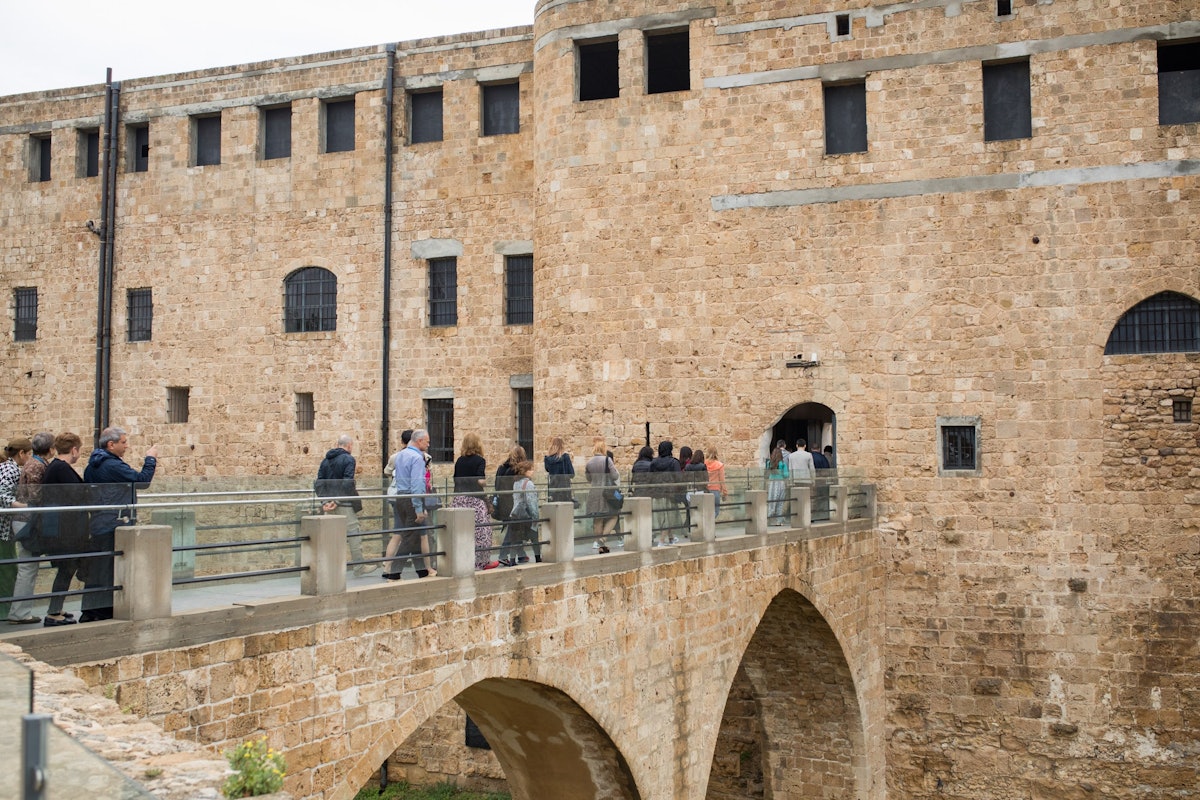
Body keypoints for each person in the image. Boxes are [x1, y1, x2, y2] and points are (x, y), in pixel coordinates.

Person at [82, 426, 158, 622]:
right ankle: (102, 611)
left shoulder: (92, 466)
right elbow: (142, 481)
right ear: (111, 444)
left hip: (99, 521)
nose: (127, 446)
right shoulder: (112, 465)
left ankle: (92, 611)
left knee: (99, 569)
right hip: (113, 522)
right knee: (108, 569)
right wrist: (150, 458)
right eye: (123, 442)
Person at [40, 432, 88, 626]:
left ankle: (56, 608)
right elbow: (78, 494)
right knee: (66, 569)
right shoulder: (61, 468)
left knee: (67, 569)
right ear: (74, 449)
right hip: (64, 531)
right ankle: (53, 613)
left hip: (62, 529)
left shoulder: (56, 467)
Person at [315, 434, 377, 577]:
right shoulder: (349, 459)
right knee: (353, 533)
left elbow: (319, 482)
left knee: (331, 536)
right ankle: (358, 566)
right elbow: (347, 482)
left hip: (328, 504)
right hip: (344, 503)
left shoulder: (325, 461)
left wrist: (325, 502)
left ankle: (329, 568)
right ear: (349, 445)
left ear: (338, 444)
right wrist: (337, 501)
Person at [10, 432, 53, 624]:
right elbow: (36, 496)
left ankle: (20, 611)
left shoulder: (34, 463)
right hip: (28, 521)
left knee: (28, 568)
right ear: (50, 449)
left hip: (26, 520)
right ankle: (20, 613)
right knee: (27, 568)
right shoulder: (36, 465)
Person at [383, 429, 432, 580]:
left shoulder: (401, 455)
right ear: (419, 441)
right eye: (427, 441)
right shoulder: (417, 458)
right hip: (411, 499)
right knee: (410, 536)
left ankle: (422, 571)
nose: (428, 444)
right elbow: (417, 483)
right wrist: (418, 508)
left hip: (400, 498)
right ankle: (394, 572)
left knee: (414, 535)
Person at [452, 433, 497, 570]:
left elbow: (455, 479)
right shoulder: (479, 460)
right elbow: (480, 480)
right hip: (475, 500)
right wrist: (486, 482)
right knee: (482, 532)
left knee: (461, 531)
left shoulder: (459, 460)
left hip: (459, 499)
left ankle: (461, 561)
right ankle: (481, 562)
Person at [0, 438, 31, 622]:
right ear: (22, 454)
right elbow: (2, 494)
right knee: (8, 570)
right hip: (3, 530)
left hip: (4, 529)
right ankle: (5, 611)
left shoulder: (5, 467)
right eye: (29, 454)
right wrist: (19, 505)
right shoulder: (11, 469)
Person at [499, 460, 540, 565]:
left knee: (515, 539)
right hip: (526, 516)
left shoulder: (516, 483)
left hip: (516, 515)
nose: (532, 471)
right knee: (535, 538)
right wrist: (535, 517)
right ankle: (538, 558)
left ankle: (512, 560)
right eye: (530, 469)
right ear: (525, 471)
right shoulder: (529, 484)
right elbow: (531, 502)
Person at [584, 437, 619, 554]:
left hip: (594, 493)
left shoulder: (589, 462)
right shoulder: (607, 460)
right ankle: (603, 539)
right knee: (614, 516)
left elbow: (588, 478)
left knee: (597, 519)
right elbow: (615, 476)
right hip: (606, 493)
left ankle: (601, 546)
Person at [493, 445, 525, 561]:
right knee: (513, 528)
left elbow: (496, 485)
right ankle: (503, 554)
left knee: (515, 527)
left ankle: (521, 554)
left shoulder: (501, 467)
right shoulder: (517, 470)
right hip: (512, 502)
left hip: (502, 502)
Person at [650, 441, 684, 545]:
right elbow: (679, 478)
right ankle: (662, 540)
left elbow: (650, 477)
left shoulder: (654, 463)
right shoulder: (674, 462)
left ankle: (671, 538)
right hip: (670, 493)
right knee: (669, 517)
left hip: (657, 493)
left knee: (662, 516)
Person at [543, 437, 575, 506]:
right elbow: (572, 474)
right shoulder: (565, 457)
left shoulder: (547, 459)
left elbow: (547, 469)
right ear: (562, 446)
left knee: (554, 510)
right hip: (564, 489)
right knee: (565, 511)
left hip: (553, 488)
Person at [683, 449, 709, 532]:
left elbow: (685, 478)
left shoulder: (687, 466)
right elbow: (706, 479)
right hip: (700, 491)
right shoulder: (702, 466)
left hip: (690, 492)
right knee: (701, 512)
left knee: (691, 512)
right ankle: (701, 530)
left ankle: (691, 529)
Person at [766, 443, 789, 526]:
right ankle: (778, 521)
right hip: (780, 483)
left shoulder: (769, 463)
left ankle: (768, 518)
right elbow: (786, 475)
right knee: (780, 502)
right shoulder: (782, 464)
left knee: (771, 501)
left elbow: (767, 473)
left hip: (772, 483)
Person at [705, 447, 730, 518]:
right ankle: (709, 524)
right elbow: (722, 480)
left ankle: (707, 524)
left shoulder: (704, 464)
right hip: (715, 490)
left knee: (706, 511)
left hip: (705, 490)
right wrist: (725, 492)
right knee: (716, 511)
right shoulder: (719, 465)